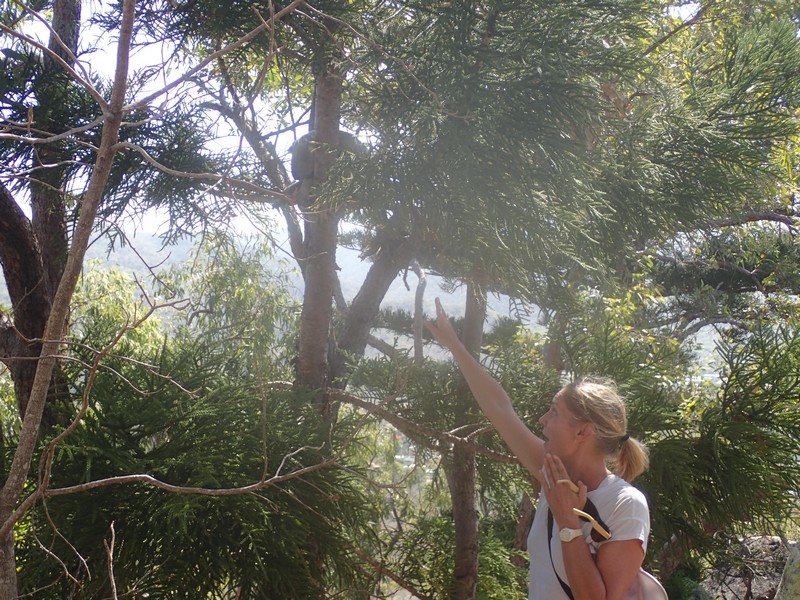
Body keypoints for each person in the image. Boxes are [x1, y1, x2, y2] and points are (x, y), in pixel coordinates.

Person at [425, 298, 652, 600]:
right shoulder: (553, 474)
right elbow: (500, 409)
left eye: (554, 412)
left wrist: (568, 522)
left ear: (583, 432)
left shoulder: (626, 504)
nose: (542, 419)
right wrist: (455, 347)